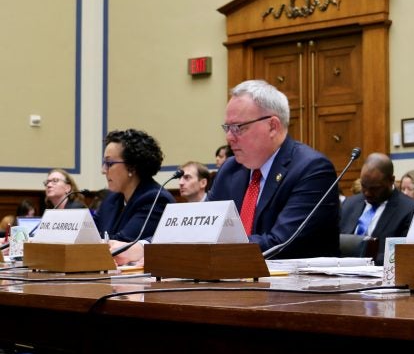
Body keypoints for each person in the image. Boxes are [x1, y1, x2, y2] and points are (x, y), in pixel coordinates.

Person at [111, 80, 340, 267]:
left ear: (273, 126)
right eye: (227, 128)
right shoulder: (231, 170)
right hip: (234, 284)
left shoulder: (311, 169)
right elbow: (197, 228)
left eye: (239, 127)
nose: (229, 137)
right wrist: (145, 247)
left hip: (296, 298)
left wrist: (189, 253)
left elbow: (280, 244)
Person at [94, 129, 174, 244]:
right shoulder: (110, 199)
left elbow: (123, 244)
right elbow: (89, 236)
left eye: (109, 163)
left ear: (131, 166)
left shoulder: (156, 200)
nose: (103, 170)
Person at [339, 152, 414, 265]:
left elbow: (402, 254)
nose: (367, 193)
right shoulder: (349, 204)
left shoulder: (409, 209)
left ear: (391, 180)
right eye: (364, 186)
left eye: (375, 188)